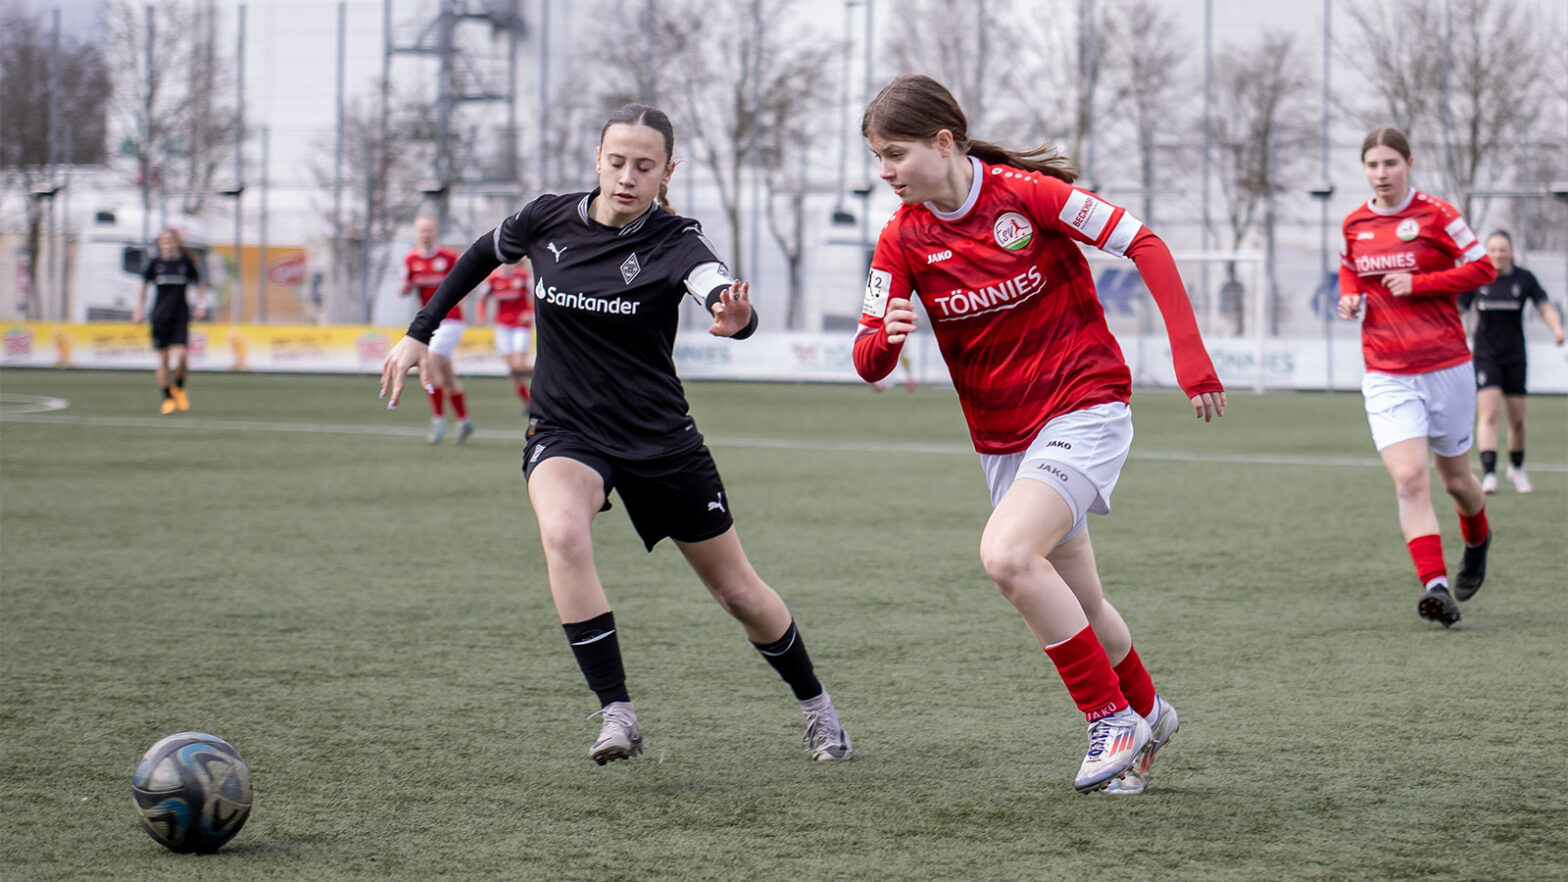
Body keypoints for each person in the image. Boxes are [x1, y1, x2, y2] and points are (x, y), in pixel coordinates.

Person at [379, 103, 852, 766]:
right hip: (567, 428)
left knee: (737, 592)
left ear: (667, 172)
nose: (628, 176)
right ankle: (617, 714)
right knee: (563, 532)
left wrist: (734, 315)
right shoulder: (546, 218)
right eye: (617, 161)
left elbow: (716, 289)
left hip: (659, 438)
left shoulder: (676, 240)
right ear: (598, 161)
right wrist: (417, 332)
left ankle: (818, 710)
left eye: (645, 166)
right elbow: (481, 256)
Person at [853, 74, 1225, 795]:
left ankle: (1108, 720)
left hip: (1085, 404)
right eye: (878, 158)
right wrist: (887, 340)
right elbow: (869, 358)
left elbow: (1143, 243)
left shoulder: (1027, 196)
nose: (885, 172)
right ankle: (1148, 711)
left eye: (895, 154)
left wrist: (1191, 357)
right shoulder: (901, 239)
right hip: (1002, 439)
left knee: (1007, 556)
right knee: (1078, 603)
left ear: (943, 141)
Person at [1338, 127, 1495, 626]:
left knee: (1458, 482)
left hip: (1447, 366)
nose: (1381, 173)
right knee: (1409, 478)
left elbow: (1484, 268)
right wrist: (1350, 296)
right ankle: (1437, 586)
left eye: (1390, 163)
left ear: (1409, 163)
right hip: (1386, 370)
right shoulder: (1355, 223)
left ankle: (1477, 536)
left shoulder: (1438, 214)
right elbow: (1350, 270)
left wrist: (1421, 283)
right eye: (1372, 165)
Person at [1458, 230, 1565, 494]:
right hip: (1486, 356)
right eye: (1493, 249)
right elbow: (1456, 311)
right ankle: (1490, 473)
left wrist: (1557, 329)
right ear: (1487, 251)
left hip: (1515, 356)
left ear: (1511, 252)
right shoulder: (1477, 277)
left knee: (1517, 420)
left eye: (1503, 249)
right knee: (1489, 414)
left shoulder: (1524, 278)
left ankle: (1517, 469)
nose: (1498, 254)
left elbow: (1544, 306)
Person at [401, 215, 474, 444]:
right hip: (431, 323)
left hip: (451, 320)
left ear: (436, 232)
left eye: (429, 230)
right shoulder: (411, 259)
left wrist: (461, 298)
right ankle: (464, 421)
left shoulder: (449, 257)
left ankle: (439, 419)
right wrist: (405, 285)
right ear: (416, 233)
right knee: (448, 375)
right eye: (422, 231)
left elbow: (468, 280)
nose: (426, 234)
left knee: (430, 364)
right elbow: (405, 288)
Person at [132, 228, 208, 414]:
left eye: (172, 240)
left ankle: (179, 387)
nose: (168, 244)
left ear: (177, 243)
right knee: (164, 358)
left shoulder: (185, 263)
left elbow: (199, 284)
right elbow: (143, 286)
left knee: (182, 356)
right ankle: (167, 398)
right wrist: (138, 310)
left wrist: (201, 305)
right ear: (160, 244)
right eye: (165, 241)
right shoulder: (155, 264)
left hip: (180, 315)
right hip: (159, 316)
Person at [476, 258, 536, 414]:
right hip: (503, 327)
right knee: (512, 369)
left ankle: (546, 374)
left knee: (518, 365)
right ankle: (528, 404)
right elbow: (482, 299)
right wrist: (481, 316)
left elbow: (537, 296)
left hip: (520, 326)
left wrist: (529, 313)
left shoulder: (523, 276)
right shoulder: (493, 279)